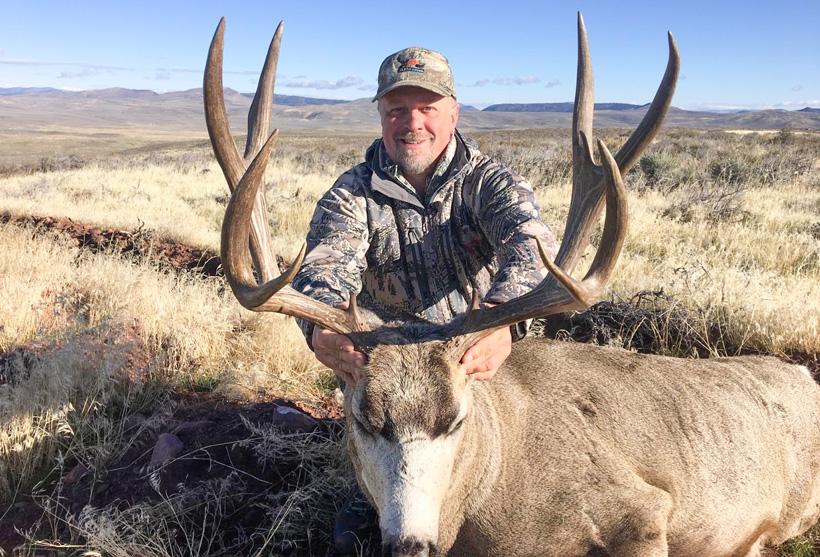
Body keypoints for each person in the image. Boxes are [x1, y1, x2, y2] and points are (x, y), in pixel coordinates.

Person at [291, 46, 558, 552]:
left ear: (452, 113)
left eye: (427, 107)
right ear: (381, 116)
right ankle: (375, 487)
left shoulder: (490, 184)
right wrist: (321, 329)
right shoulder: (351, 196)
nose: (411, 122)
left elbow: (532, 247)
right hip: (382, 369)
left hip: (464, 362)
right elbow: (323, 270)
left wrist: (503, 324)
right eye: (397, 109)